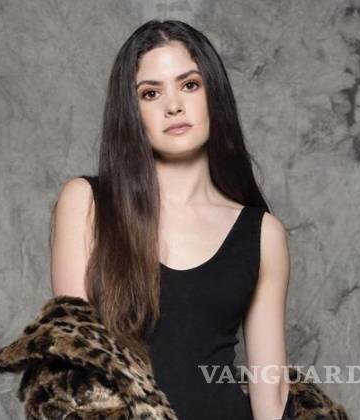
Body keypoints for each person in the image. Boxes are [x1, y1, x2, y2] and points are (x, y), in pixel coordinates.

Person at [49, 19, 293, 420]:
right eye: (151, 93)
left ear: (214, 94)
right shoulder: (88, 203)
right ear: (132, 112)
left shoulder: (263, 234)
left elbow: (272, 392)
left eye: (190, 85)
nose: (173, 105)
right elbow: (77, 357)